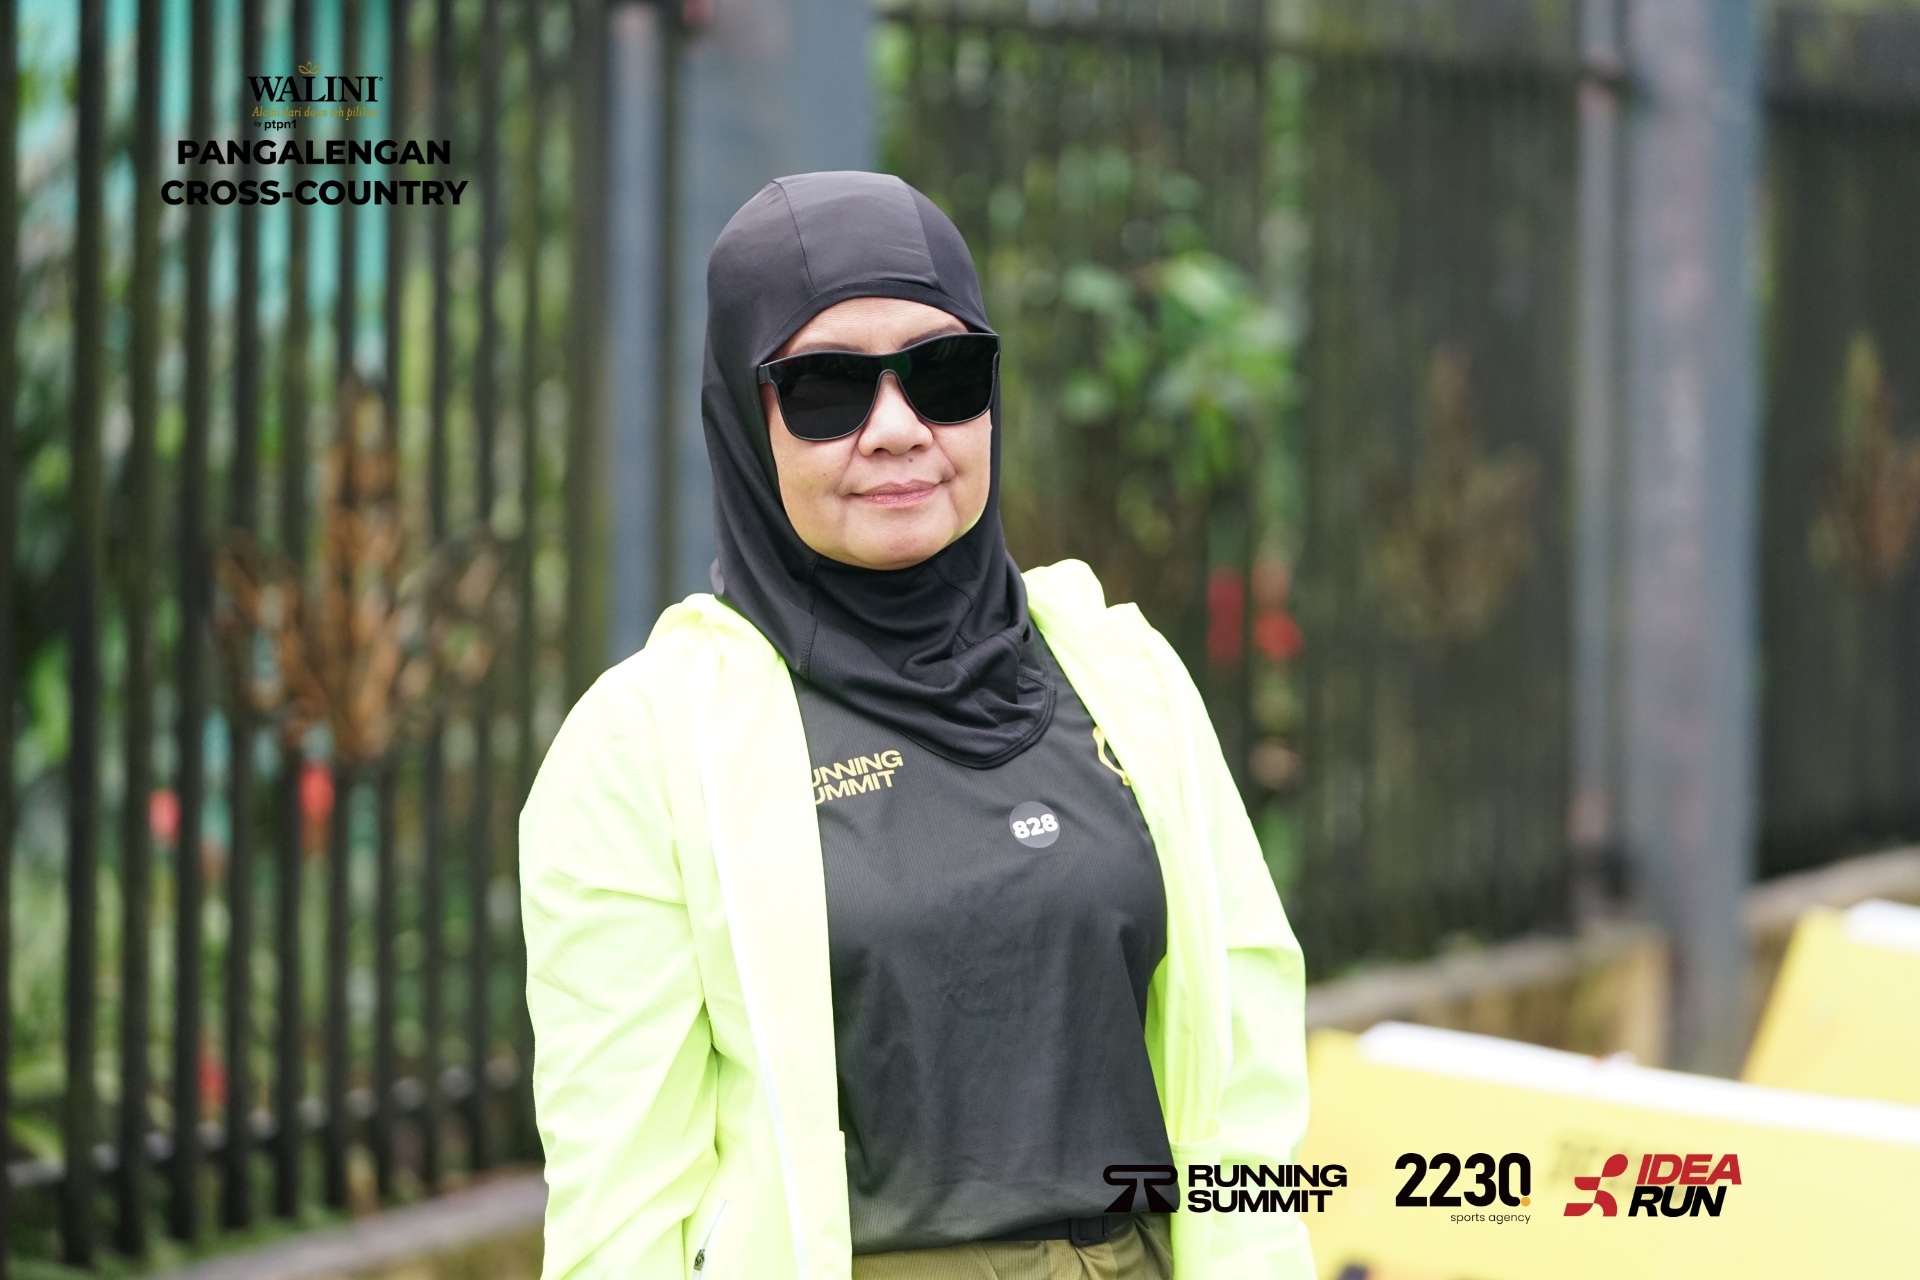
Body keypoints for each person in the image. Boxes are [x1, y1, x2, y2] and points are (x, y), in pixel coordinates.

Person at [520, 171, 1312, 1280]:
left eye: (944, 374)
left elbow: (1249, 1080)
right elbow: (622, 1205)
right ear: (744, 419)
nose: (897, 430)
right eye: (827, 389)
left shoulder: (1124, 677)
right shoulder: (646, 745)